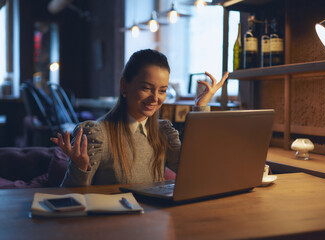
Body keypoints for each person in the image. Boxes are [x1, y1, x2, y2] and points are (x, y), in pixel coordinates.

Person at [51, 49, 229, 187]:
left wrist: (200, 108)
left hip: (155, 224)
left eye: (162, 90)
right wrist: (79, 167)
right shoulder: (97, 134)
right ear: (124, 86)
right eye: (146, 88)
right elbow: (70, 197)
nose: (155, 98)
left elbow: (194, 170)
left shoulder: (163, 132)